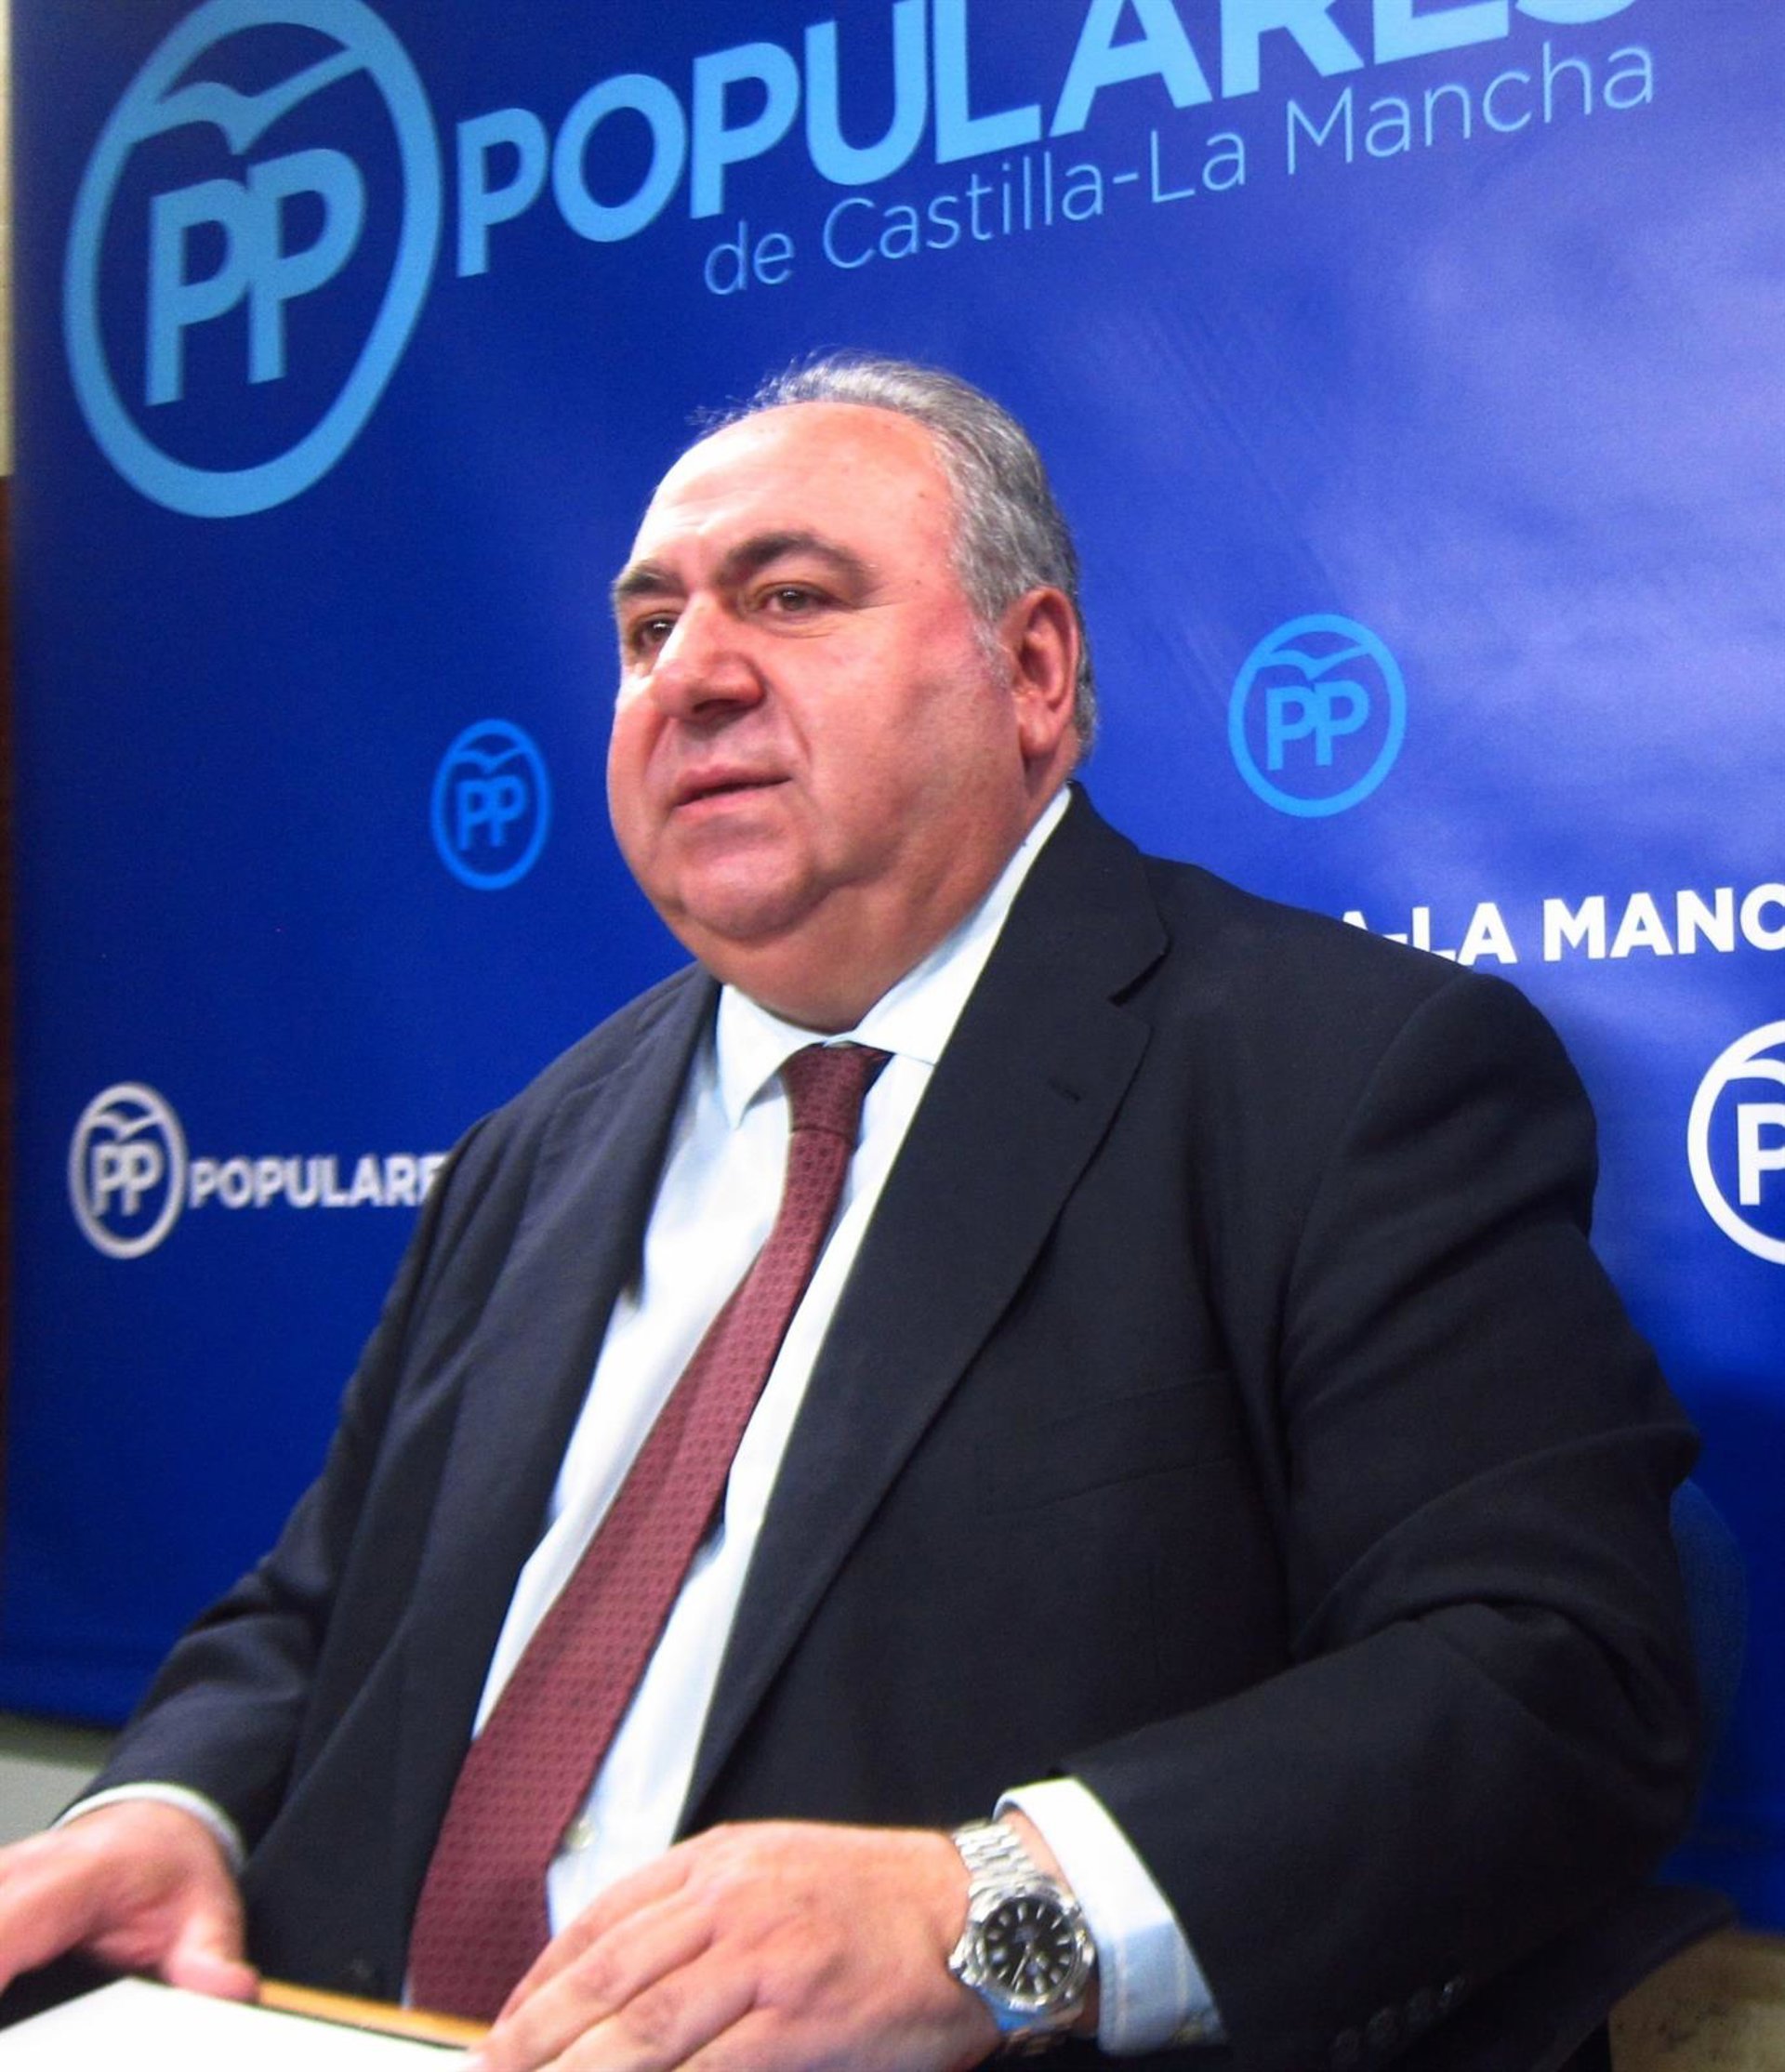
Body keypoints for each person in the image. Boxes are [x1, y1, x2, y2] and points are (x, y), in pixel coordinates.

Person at [0, 356, 1713, 2072]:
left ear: (1032, 671)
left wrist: (992, 1915)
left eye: (791, 597)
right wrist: (170, 1808)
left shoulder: (1343, 1075)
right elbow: (319, 1612)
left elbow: (1558, 1679)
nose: (692, 675)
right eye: (647, 629)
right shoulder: (530, 1149)